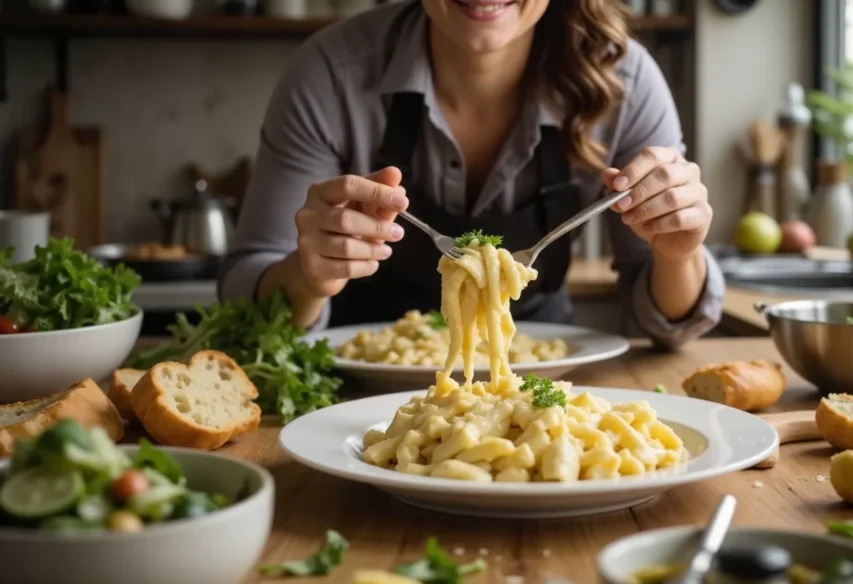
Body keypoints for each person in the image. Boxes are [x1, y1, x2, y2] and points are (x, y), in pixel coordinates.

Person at [219, 0, 724, 350]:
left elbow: (668, 326)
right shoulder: (329, 73)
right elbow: (247, 281)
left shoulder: (626, 81)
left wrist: (679, 253)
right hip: (352, 394)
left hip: (544, 387)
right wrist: (307, 278)